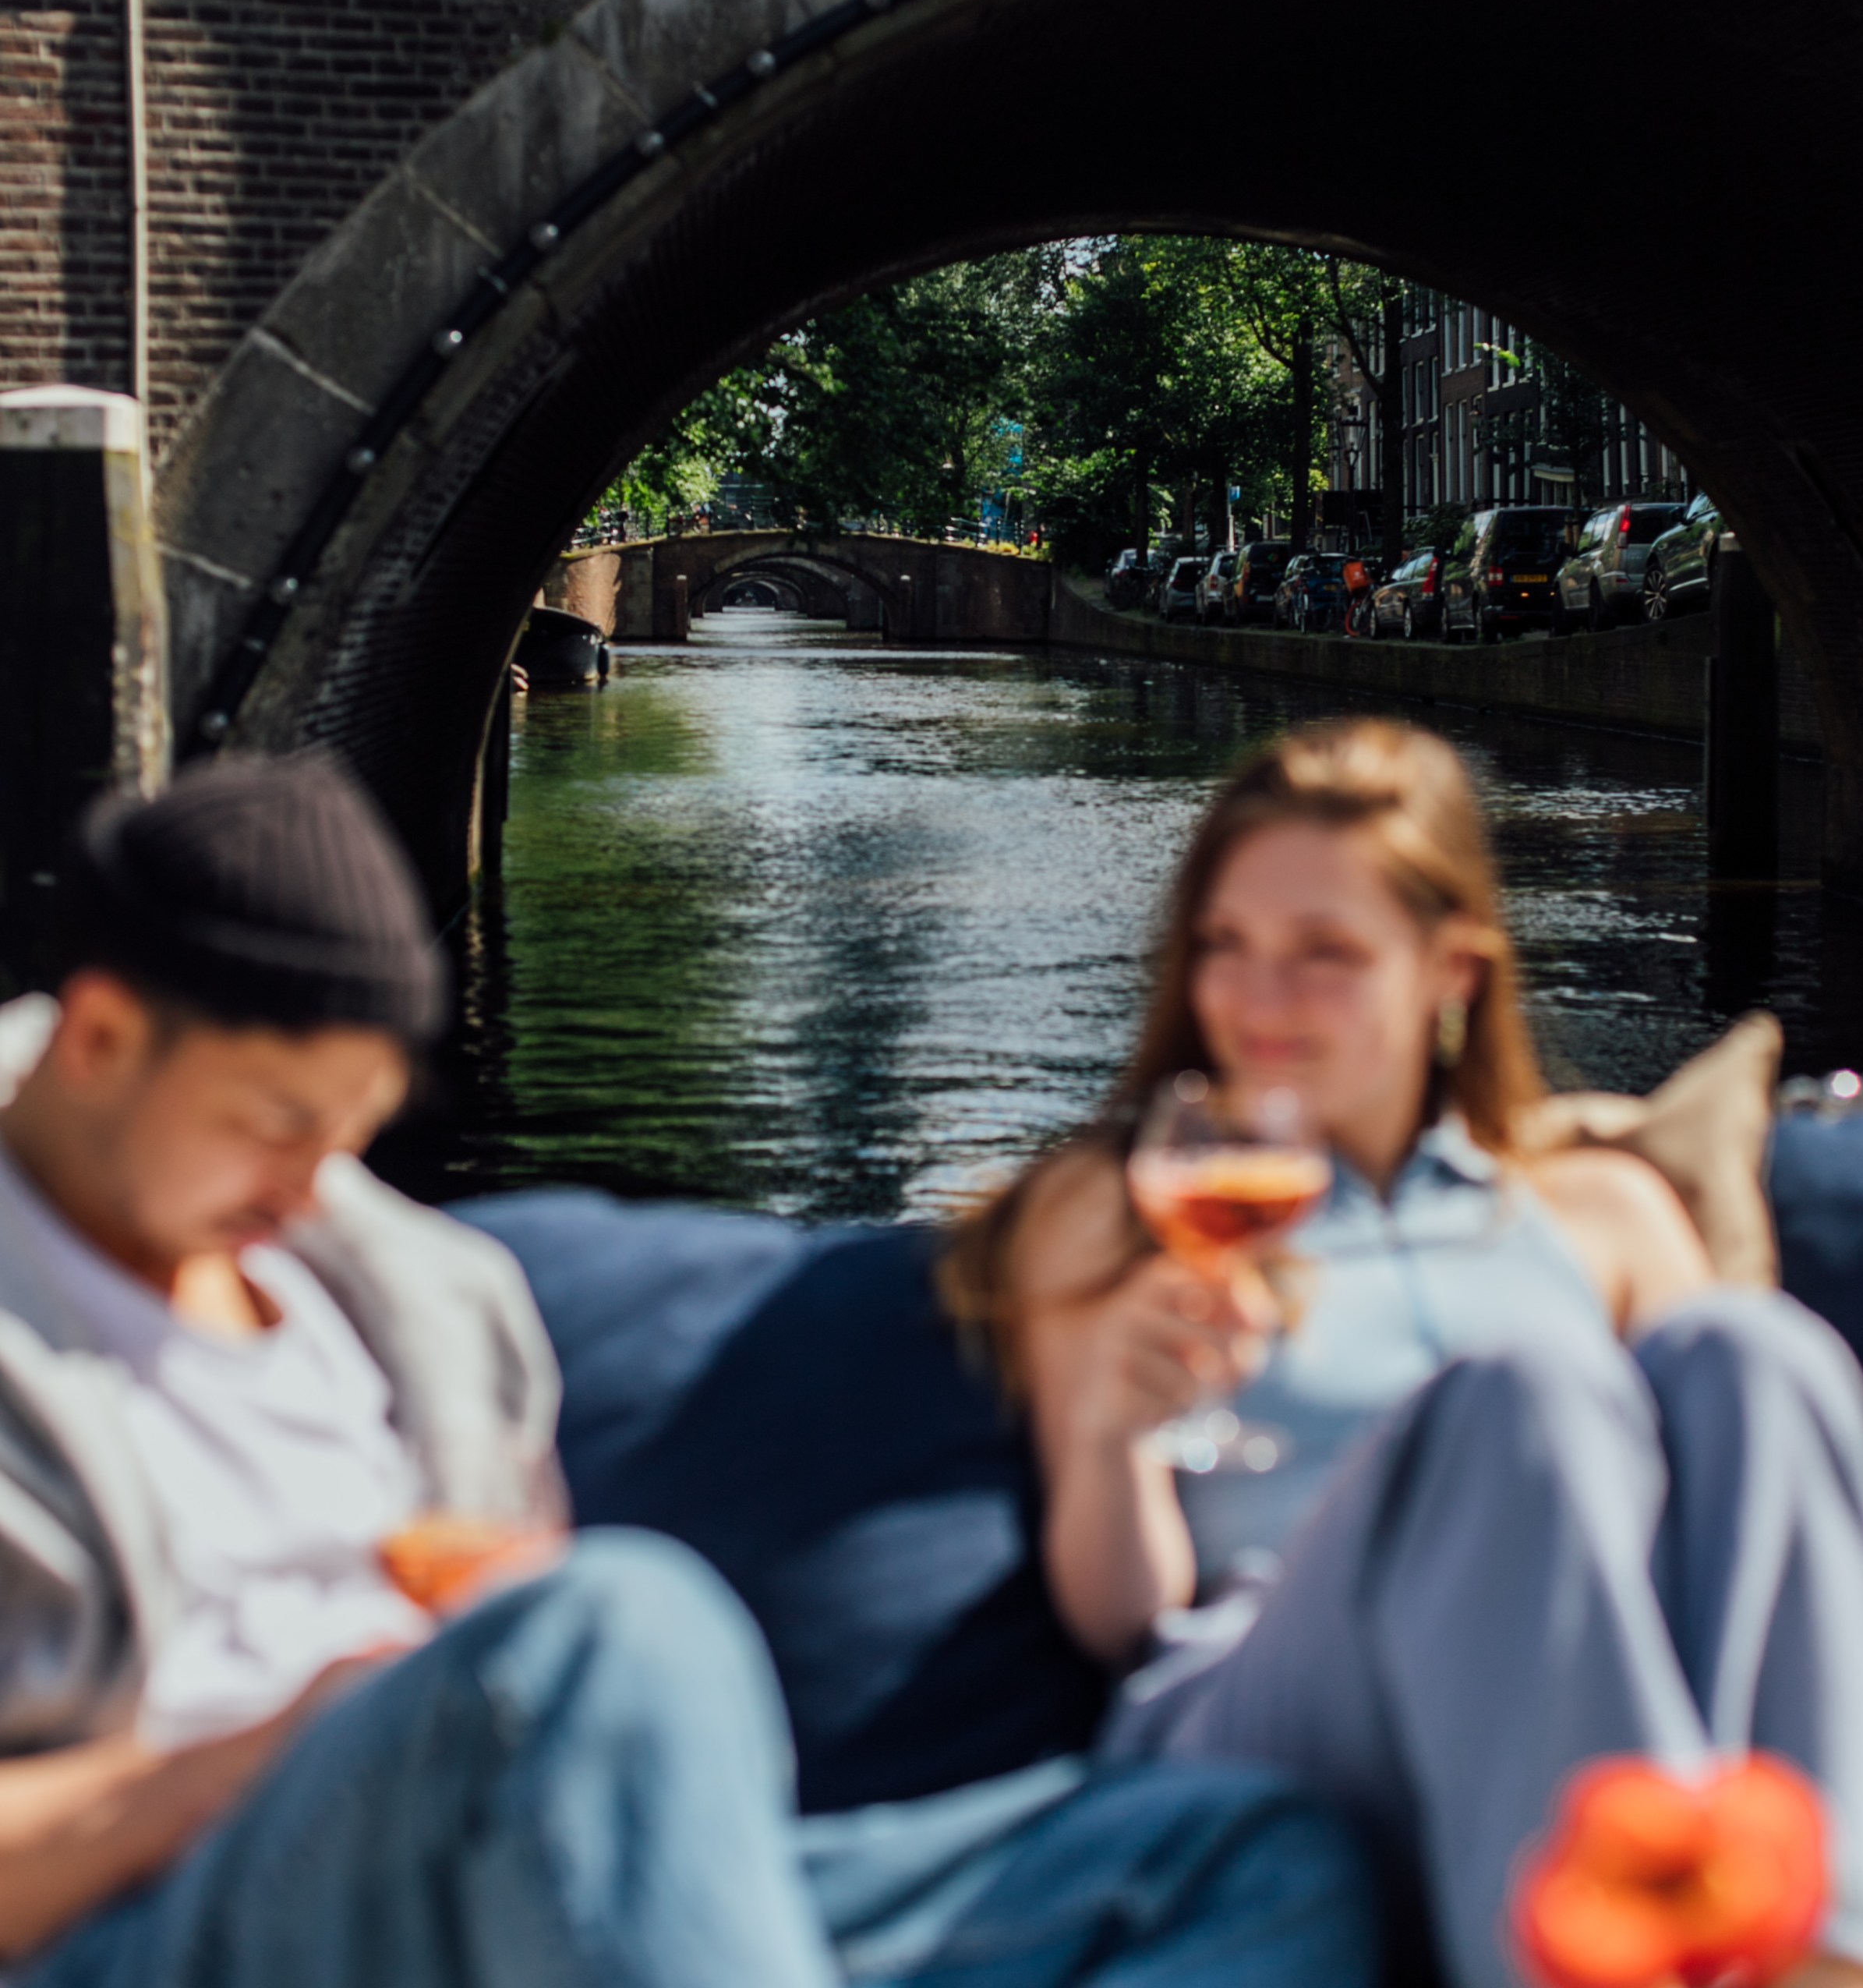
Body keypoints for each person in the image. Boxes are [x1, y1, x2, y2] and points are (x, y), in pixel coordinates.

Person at [0, 751, 1380, 1988]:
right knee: (623, 1621)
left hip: (503, 1876)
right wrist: (259, 1758)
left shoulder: (403, 1293)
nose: (311, 1192)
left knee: (1251, 1854)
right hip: (175, 1914)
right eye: (272, 1126)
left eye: (349, 1138)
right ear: (105, 1038)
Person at [941, 716, 1863, 1988]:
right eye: (1226, 945)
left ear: (1452, 972)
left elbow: (1723, 1536)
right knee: (1518, 1396)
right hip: (1254, 1700)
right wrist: (1109, 1425)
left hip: (1570, 1695)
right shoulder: (1119, 1207)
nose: (1257, 1001)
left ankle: (1827, 1944)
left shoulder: (1600, 1209)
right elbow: (1125, 1622)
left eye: (1324, 954)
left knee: (1758, 1351)